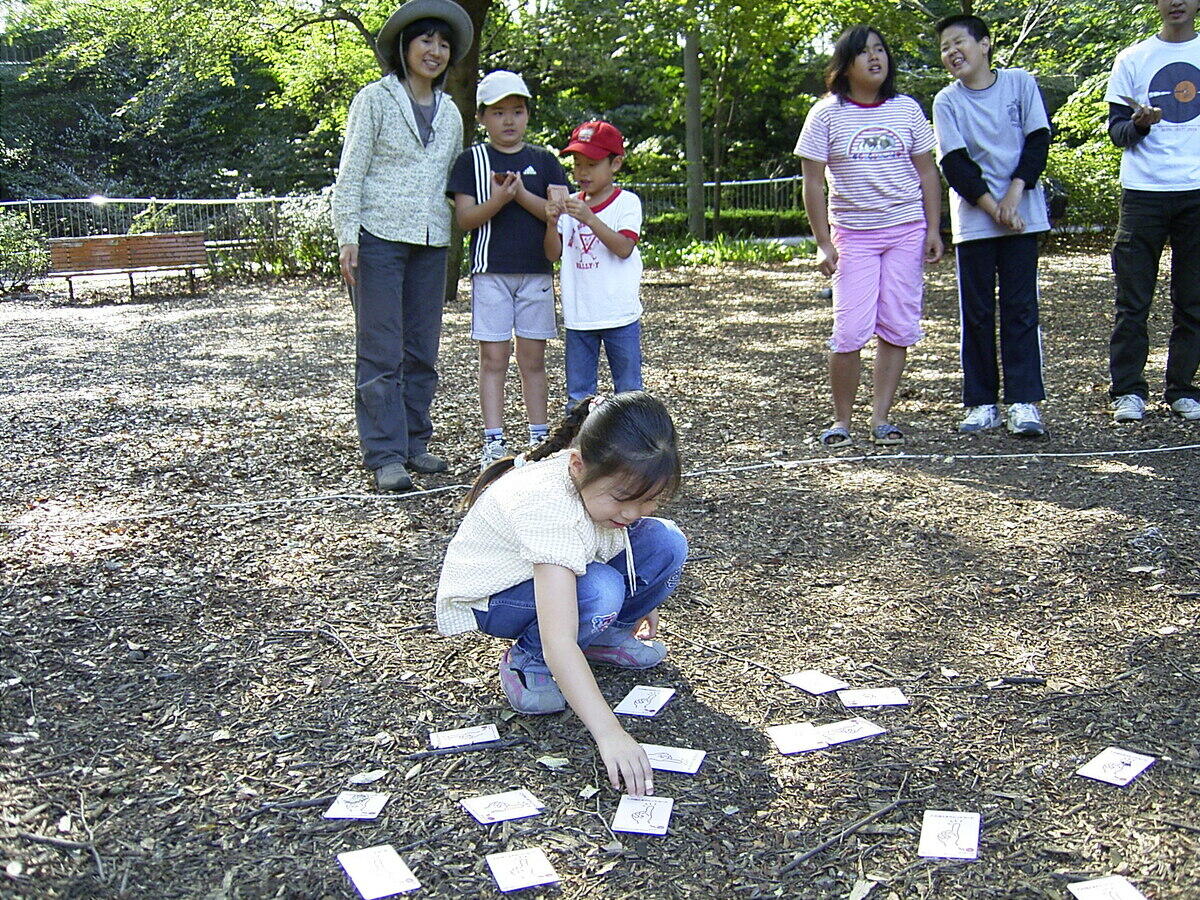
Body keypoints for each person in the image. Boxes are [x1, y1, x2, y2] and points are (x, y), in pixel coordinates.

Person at [435, 391, 688, 797]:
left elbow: (628, 531)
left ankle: (605, 636)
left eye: (650, 501)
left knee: (666, 541)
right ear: (578, 466)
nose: (633, 514)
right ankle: (526, 661)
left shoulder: (595, 488)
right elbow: (558, 638)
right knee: (601, 591)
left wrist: (647, 600)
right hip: (496, 598)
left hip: (562, 575)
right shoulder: (549, 507)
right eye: (624, 500)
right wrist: (610, 733)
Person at [331, 0, 472, 492]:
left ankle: (415, 441)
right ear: (405, 46)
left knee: (422, 350)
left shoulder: (452, 111)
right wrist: (347, 235)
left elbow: (457, 177)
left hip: (432, 241)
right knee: (380, 350)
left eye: (443, 44)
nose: (435, 51)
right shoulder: (374, 98)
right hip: (378, 238)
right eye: (426, 40)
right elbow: (351, 172)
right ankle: (385, 453)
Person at [797, 25, 943, 448]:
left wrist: (933, 229)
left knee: (897, 325)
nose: (875, 58)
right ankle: (841, 420)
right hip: (853, 236)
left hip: (906, 231)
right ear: (845, 65)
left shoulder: (907, 109)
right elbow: (812, 183)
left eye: (880, 50)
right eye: (864, 52)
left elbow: (927, 171)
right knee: (849, 330)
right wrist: (823, 242)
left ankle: (881, 418)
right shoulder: (826, 113)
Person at [933, 14, 1052, 437]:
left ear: (984, 44)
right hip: (975, 223)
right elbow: (954, 163)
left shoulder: (1020, 83)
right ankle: (982, 402)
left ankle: (1024, 402)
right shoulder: (947, 101)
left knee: (1021, 309)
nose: (952, 53)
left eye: (959, 42)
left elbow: (1038, 140)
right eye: (945, 47)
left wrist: (1014, 197)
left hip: (1023, 218)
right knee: (977, 313)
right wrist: (992, 206)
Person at [446, 70, 570, 469]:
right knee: (493, 359)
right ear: (482, 117)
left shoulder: (545, 162)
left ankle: (539, 438)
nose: (509, 120)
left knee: (533, 359)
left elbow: (556, 215)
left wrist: (520, 196)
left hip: (536, 274)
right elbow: (466, 220)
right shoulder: (471, 161)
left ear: (528, 114)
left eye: (517, 111)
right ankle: (494, 443)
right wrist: (500, 199)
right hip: (490, 273)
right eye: (498, 112)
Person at [1104, 0, 1200, 423]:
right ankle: (1127, 391)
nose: (1176, 1)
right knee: (1132, 301)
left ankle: (1182, 389)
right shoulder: (1133, 58)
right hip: (1143, 193)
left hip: (1197, 192)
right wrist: (1140, 124)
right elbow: (1117, 133)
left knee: (1193, 300)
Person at [544, 121, 645, 412]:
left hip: (619, 314)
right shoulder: (571, 204)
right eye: (577, 164)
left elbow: (624, 248)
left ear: (615, 164)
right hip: (579, 315)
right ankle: (578, 448)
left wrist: (589, 218)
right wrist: (551, 223)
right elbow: (553, 254)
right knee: (578, 395)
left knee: (629, 392)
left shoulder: (626, 202)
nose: (582, 172)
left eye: (592, 164)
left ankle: (633, 450)